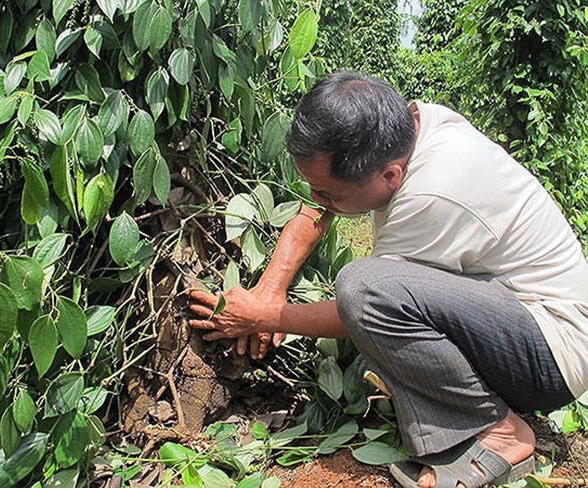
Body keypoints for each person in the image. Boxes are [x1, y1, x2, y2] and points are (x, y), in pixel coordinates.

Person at [188, 72, 588, 488]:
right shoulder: (406, 127)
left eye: (330, 194)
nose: (319, 200)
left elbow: (361, 308)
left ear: (390, 177)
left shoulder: (432, 192)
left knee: (362, 286)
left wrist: (264, 316)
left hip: (550, 354)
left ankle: (502, 433)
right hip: (513, 323)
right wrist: (271, 287)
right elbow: (316, 209)